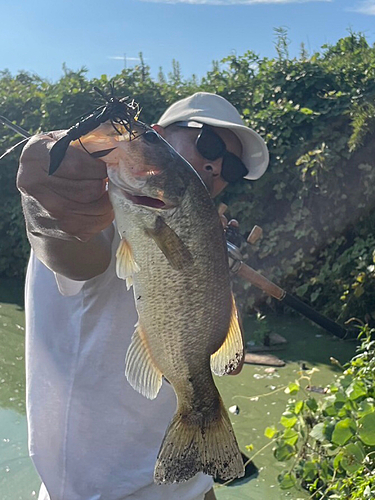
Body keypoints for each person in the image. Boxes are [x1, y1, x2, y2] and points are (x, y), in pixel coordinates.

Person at [17, 92, 269, 500]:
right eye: (209, 143)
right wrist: (46, 208)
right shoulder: (99, 206)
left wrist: (217, 269)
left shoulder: (202, 232)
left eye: (234, 167)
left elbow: (229, 365)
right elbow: (68, 247)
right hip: (96, 493)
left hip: (194, 485)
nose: (218, 165)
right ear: (157, 134)